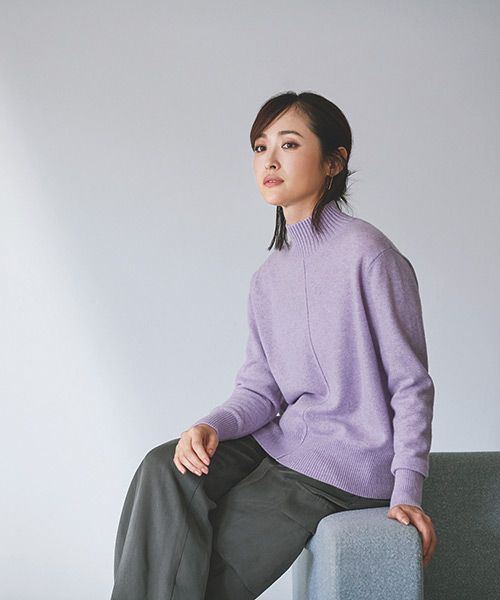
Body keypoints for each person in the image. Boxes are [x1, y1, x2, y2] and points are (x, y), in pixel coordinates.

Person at [110, 91, 437, 600]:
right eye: (261, 147)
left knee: (201, 572)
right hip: (284, 441)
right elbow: (261, 389)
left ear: (333, 162)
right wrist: (209, 426)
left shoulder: (369, 255)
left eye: (289, 144)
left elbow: (411, 384)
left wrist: (408, 490)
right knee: (165, 466)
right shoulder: (267, 278)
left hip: (344, 465)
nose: (269, 160)